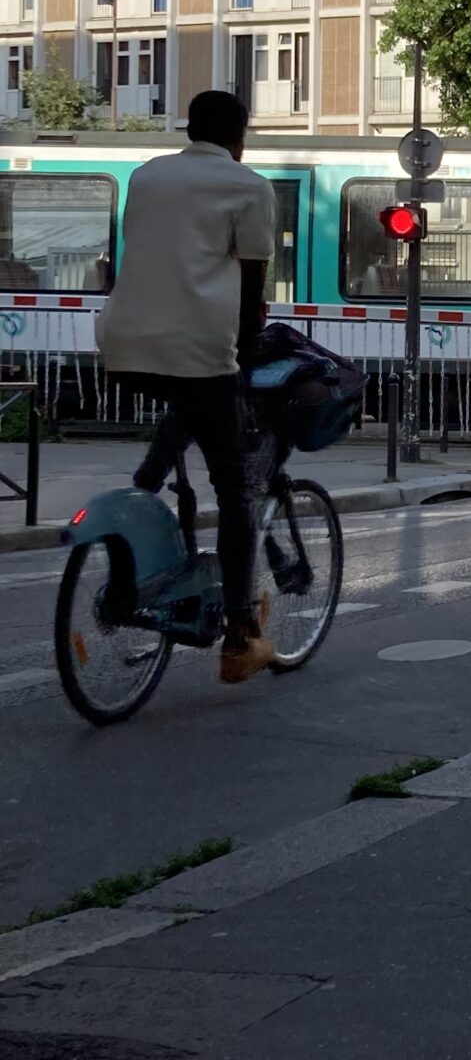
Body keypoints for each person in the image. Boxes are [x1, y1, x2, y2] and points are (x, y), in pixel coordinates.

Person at [99, 90, 277, 681]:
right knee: (234, 490)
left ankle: (144, 490)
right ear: (240, 135)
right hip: (198, 350)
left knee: (189, 408)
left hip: (123, 343)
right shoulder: (248, 186)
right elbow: (253, 287)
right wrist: (248, 347)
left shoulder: (146, 177)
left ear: (188, 127)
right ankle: (239, 633)